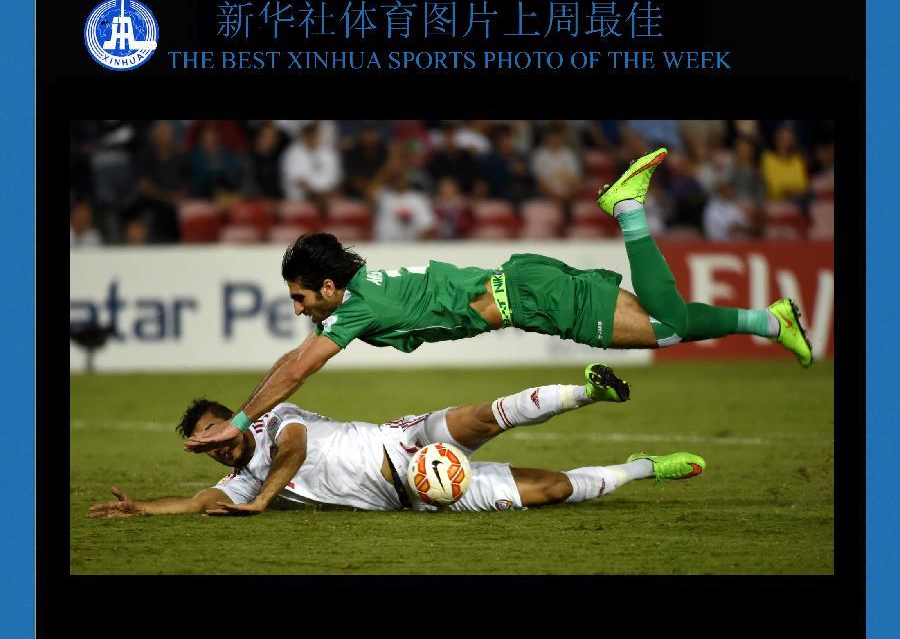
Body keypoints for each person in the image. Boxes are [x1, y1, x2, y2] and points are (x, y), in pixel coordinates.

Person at [186, 149, 812, 454]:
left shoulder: (357, 309)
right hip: (529, 287)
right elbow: (289, 361)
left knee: (667, 326)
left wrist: (241, 422)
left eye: (300, 298)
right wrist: (249, 409)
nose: (298, 310)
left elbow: (297, 369)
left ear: (326, 287)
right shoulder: (360, 295)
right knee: (666, 325)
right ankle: (770, 320)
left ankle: (627, 206)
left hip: (533, 296)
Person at [92, 365, 705, 517]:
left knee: (485, 416)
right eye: (203, 445)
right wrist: (142, 509)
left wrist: (260, 501)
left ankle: (588, 392)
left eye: (213, 434)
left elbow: (296, 453)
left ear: (232, 422)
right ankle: (643, 467)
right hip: (421, 492)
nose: (214, 448)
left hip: (403, 439)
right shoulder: (241, 482)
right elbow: (201, 503)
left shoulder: (277, 420)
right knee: (555, 489)